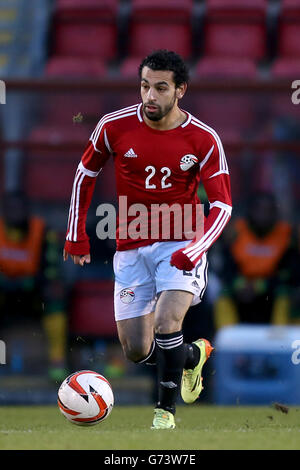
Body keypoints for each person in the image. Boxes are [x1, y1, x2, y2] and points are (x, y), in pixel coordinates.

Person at [63, 50, 232, 429]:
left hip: (181, 243)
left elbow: (222, 205)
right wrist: (76, 236)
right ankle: (192, 356)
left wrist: (196, 248)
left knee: (167, 321)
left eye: (160, 88)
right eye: (144, 86)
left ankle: (164, 415)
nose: (149, 96)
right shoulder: (113, 126)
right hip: (131, 246)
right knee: (136, 350)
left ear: (180, 90)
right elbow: (84, 174)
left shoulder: (204, 138)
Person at [0, 191, 68, 381]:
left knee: (55, 295)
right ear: (4, 210)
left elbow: (51, 269)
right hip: (5, 294)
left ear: (27, 210)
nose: (16, 213)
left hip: (34, 294)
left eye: (19, 208)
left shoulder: (42, 231)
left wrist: (30, 281)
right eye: (11, 209)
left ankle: (57, 361)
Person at [214, 191, 296, 328]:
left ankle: (279, 337)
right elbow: (225, 266)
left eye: (268, 210)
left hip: (270, 290)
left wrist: (261, 285)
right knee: (222, 293)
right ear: (250, 211)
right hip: (240, 288)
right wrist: (238, 283)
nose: (263, 215)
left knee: (285, 294)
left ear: (275, 213)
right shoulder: (236, 231)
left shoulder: (286, 234)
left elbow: (289, 273)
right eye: (259, 210)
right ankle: (226, 338)